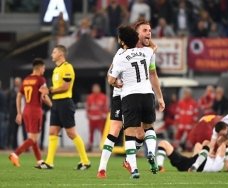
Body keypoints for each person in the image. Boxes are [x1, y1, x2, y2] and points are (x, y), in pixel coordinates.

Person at [97, 20, 165, 179]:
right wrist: (116, 82)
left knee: (139, 134)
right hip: (121, 95)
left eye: (150, 30)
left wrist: (160, 96)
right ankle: (102, 167)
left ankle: (131, 160)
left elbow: (153, 75)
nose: (148, 33)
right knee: (116, 130)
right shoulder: (123, 53)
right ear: (137, 34)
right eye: (145, 31)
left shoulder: (146, 52)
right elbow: (110, 75)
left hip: (135, 95)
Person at [36, 45, 90, 170]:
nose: (52, 55)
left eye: (54, 52)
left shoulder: (67, 67)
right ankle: (49, 162)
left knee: (71, 133)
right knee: (52, 132)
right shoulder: (56, 70)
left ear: (61, 54)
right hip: (56, 104)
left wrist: (49, 90)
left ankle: (85, 161)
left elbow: (66, 87)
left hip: (65, 103)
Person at [8, 58, 52, 167]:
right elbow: (44, 96)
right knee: (33, 138)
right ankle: (15, 154)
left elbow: (19, 95)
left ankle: (40, 161)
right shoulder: (40, 80)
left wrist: (19, 112)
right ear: (40, 67)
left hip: (26, 110)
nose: (44, 70)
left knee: (33, 137)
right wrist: (52, 105)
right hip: (35, 110)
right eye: (44, 68)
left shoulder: (26, 79)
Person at [156, 139, 228, 173]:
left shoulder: (219, 163)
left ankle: (159, 167)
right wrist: (210, 153)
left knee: (163, 143)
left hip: (190, 164)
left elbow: (223, 146)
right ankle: (159, 167)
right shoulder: (215, 162)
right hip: (188, 163)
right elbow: (199, 145)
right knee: (199, 144)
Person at [85, 83, 108, 152]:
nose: (95, 89)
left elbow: (105, 107)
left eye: (97, 88)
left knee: (102, 133)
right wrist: (88, 115)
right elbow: (87, 107)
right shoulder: (90, 97)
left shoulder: (103, 97)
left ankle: (103, 146)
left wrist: (104, 115)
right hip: (92, 119)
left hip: (100, 119)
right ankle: (90, 146)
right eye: (94, 88)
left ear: (99, 89)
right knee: (91, 133)